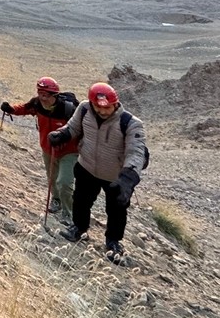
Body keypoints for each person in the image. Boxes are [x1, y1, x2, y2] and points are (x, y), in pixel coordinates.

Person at [49, 82, 147, 261]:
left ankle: (113, 242)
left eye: (107, 108)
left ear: (115, 104)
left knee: (116, 210)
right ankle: (78, 228)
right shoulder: (84, 109)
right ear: (92, 103)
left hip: (115, 176)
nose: (102, 112)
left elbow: (136, 152)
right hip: (86, 167)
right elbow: (73, 128)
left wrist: (127, 178)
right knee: (81, 200)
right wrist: (61, 134)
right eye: (98, 107)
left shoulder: (131, 123)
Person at [2, 77, 78, 223]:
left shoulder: (68, 109)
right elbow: (24, 108)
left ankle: (68, 213)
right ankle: (56, 200)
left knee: (64, 182)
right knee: (52, 178)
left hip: (69, 151)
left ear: (54, 95)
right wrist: (11, 109)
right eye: (40, 93)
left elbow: (79, 127)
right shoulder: (36, 104)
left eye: (46, 94)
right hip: (48, 149)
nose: (42, 97)